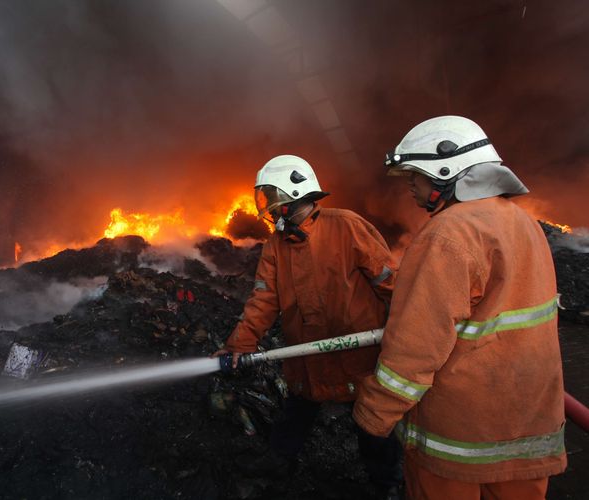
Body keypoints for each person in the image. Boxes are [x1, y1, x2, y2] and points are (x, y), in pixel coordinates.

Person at [353, 116, 566, 499]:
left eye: (413, 178)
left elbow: (416, 344)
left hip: (460, 439)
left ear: (445, 171)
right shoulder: (523, 222)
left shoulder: (448, 234)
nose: (410, 190)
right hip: (528, 424)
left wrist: (374, 415)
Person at [213, 154, 402, 497]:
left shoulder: (345, 226)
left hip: (358, 356)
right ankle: (277, 465)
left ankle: (386, 485)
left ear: (292, 194)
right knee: (296, 412)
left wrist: (408, 328)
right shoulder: (276, 246)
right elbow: (264, 300)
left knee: (372, 424)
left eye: (271, 197)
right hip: (308, 358)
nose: (267, 207)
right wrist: (240, 344)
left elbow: (390, 282)